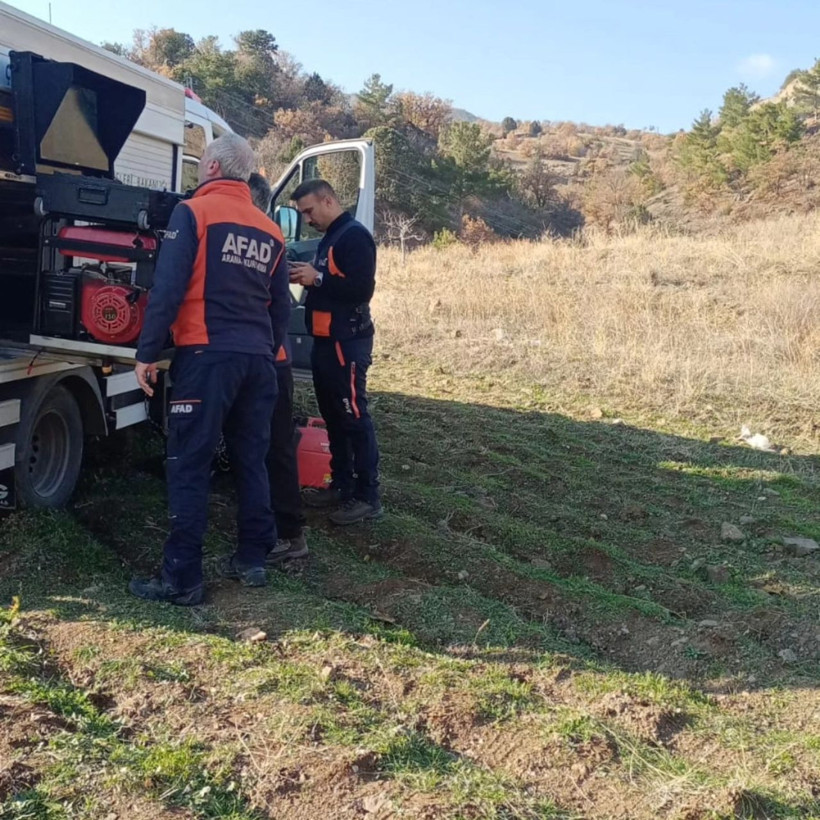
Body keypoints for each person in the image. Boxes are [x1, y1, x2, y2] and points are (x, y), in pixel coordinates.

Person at [129, 135, 290, 606]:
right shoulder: (270, 230)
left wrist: (146, 352)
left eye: (202, 161)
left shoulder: (193, 213)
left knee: (189, 463)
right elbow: (281, 308)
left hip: (206, 357)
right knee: (251, 458)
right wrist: (264, 350)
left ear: (214, 167)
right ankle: (252, 558)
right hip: (258, 361)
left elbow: (167, 289)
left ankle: (182, 579)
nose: (200, 168)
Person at [288, 179, 382, 525]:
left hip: (347, 341)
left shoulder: (354, 236)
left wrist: (317, 279)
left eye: (309, 211)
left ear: (328, 200)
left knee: (353, 416)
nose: (307, 219)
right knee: (333, 415)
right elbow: (328, 278)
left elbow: (362, 288)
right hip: (326, 341)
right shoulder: (330, 236)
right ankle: (341, 484)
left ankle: (367, 496)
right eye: (302, 214)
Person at [247, 172, 308, 562]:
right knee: (264, 444)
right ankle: (269, 525)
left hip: (268, 359)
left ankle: (289, 534)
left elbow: (280, 306)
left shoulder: (263, 236)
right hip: (263, 358)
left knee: (275, 445)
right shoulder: (266, 237)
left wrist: (267, 354)